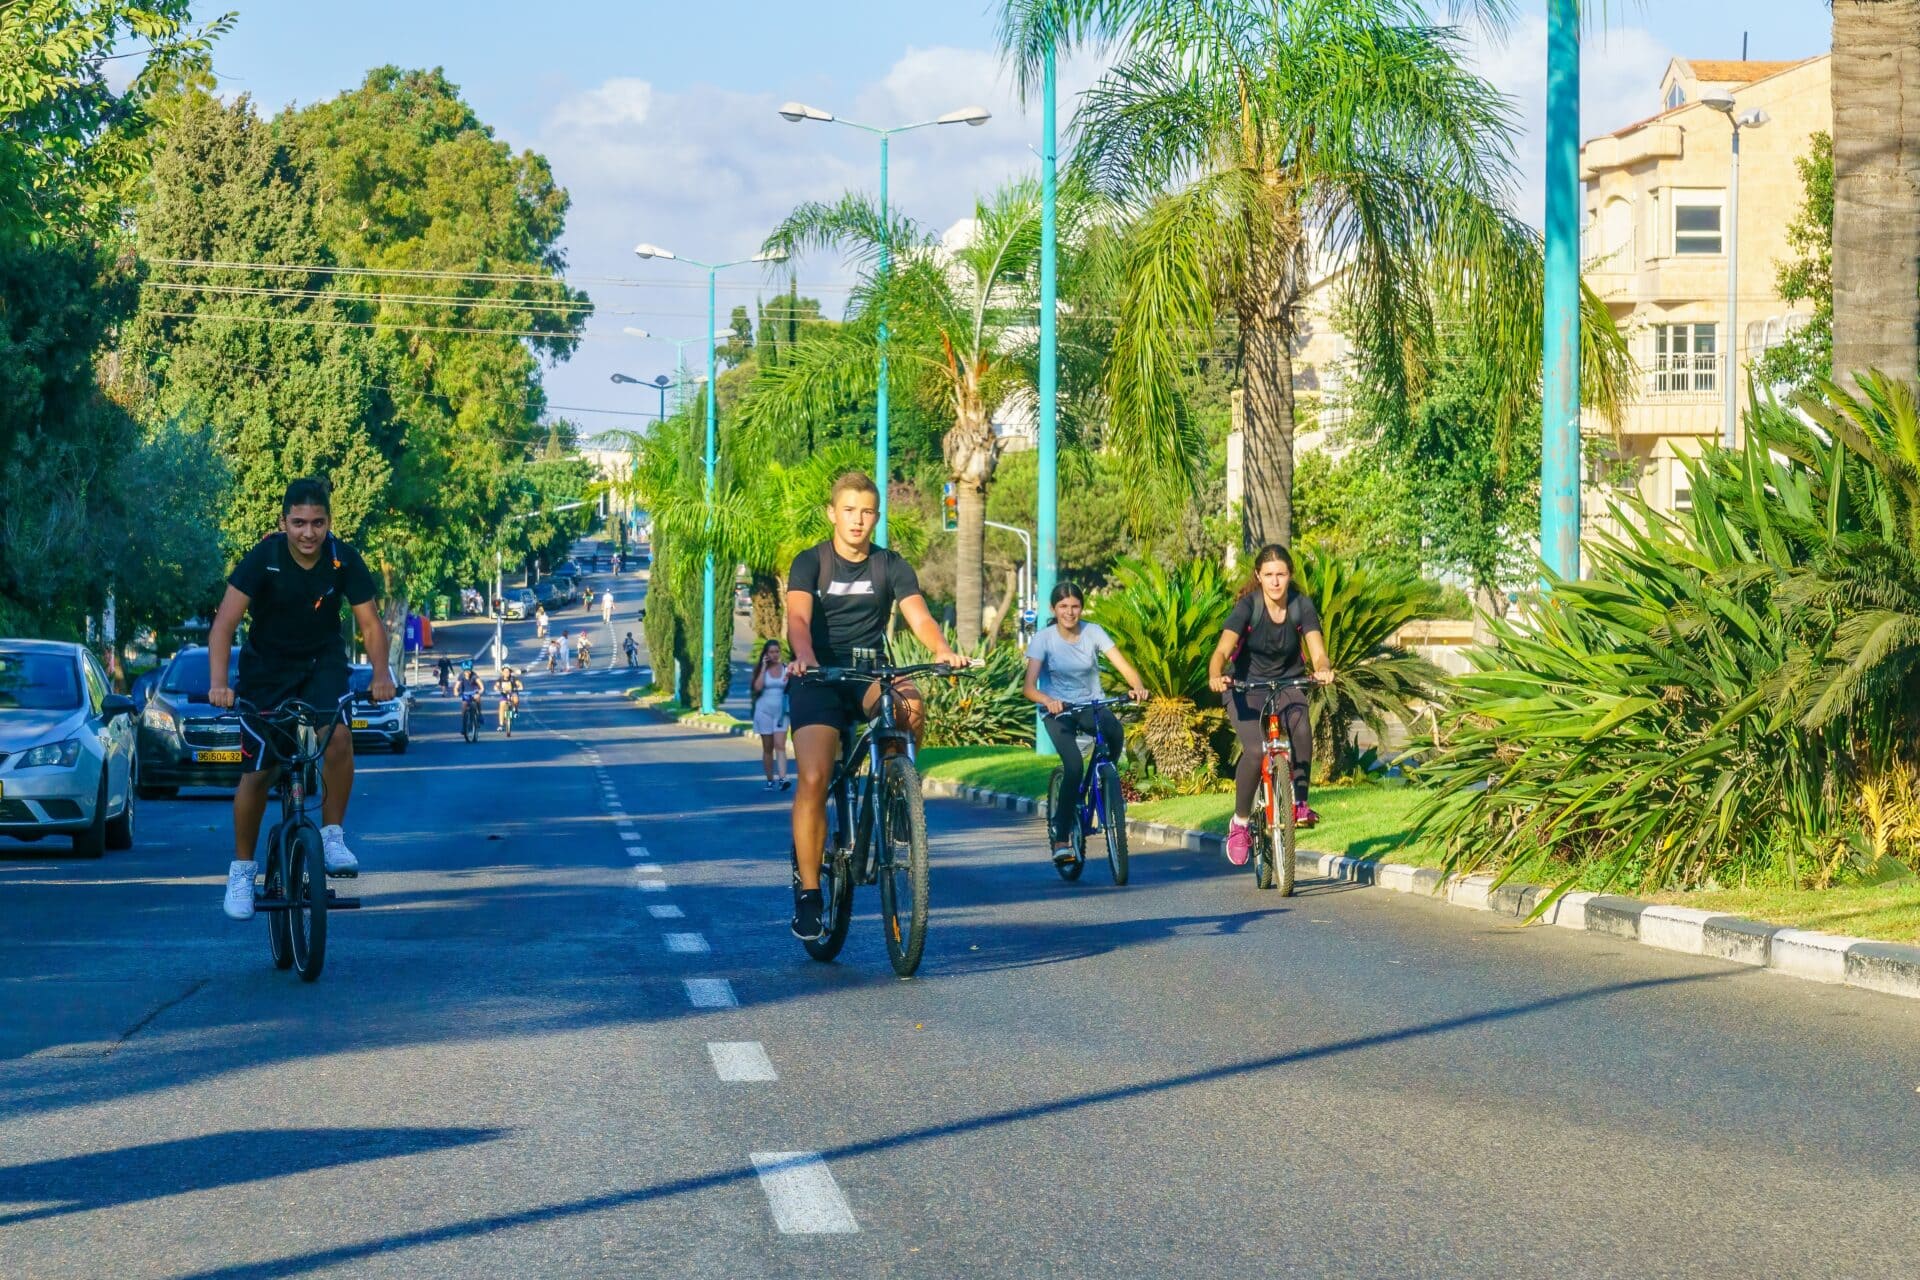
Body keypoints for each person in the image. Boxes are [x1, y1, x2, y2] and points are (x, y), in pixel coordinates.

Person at [785, 471, 967, 941]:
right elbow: (798, 619)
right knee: (813, 776)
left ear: (876, 516)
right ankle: (809, 894)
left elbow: (919, 615)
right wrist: (804, 657)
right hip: (819, 676)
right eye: (849, 510)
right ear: (832, 513)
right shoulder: (810, 563)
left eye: (867, 512)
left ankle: (896, 796)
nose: (858, 520)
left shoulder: (890, 564)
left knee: (909, 704)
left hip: (869, 673)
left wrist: (941, 649)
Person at [207, 476, 392, 920]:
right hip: (266, 670)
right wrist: (219, 683)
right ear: (283, 522)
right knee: (259, 771)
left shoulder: (343, 560)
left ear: (329, 522)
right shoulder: (263, 558)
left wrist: (382, 673)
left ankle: (331, 836)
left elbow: (369, 625)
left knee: (339, 738)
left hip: (321, 664)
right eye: (298, 523)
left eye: (317, 523)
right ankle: (241, 871)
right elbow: (223, 626)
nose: (308, 533)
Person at [1206, 544, 1334, 865]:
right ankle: (1240, 823)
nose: (1275, 582)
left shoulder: (1301, 606)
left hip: (1288, 683)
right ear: (1258, 576)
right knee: (1256, 750)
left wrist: (1321, 667)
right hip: (1244, 687)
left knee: (1302, 728)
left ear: (1290, 576)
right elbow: (1222, 650)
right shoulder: (1248, 607)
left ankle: (1299, 803)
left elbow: (1317, 649)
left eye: (1281, 574)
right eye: (1269, 575)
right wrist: (1215, 673)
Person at [1023, 581, 1150, 864]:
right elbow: (1028, 687)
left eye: (1075, 606)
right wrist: (1047, 700)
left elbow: (1124, 666)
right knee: (1073, 766)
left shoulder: (1093, 632)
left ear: (1082, 608)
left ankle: (1106, 784)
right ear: (1053, 609)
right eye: (1064, 607)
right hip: (1058, 711)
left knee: (1115, 732)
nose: (1070, 612)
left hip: (1090, 704)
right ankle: (1061, 837)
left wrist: (1137, 686)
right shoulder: (1043, 639)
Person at [749, 639, 792, 792]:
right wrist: (763, 667)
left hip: (781, 712)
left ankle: (783, 778)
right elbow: (757, 687)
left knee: (780, 745)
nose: (775, 655)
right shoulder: (762, 670)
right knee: (768, 747)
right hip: (764, 711)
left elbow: (791, 688)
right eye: (771, 652)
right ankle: (769, 780)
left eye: (777, 651)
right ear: (766, 654)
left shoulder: (786, 669)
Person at [494, 665, 524, 731]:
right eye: (505, 671)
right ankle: (501, 725)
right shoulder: (500, 679)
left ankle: (515, 711)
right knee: (502, 705)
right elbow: (496, 685)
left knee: (515, 699)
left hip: (512, 693)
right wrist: (497, 688)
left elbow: (519, 684)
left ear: (510, 672)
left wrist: (519, 687)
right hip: (504, 695)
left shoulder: (513, 678)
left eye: (508, 671)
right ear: (502, 672)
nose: (506, 673)